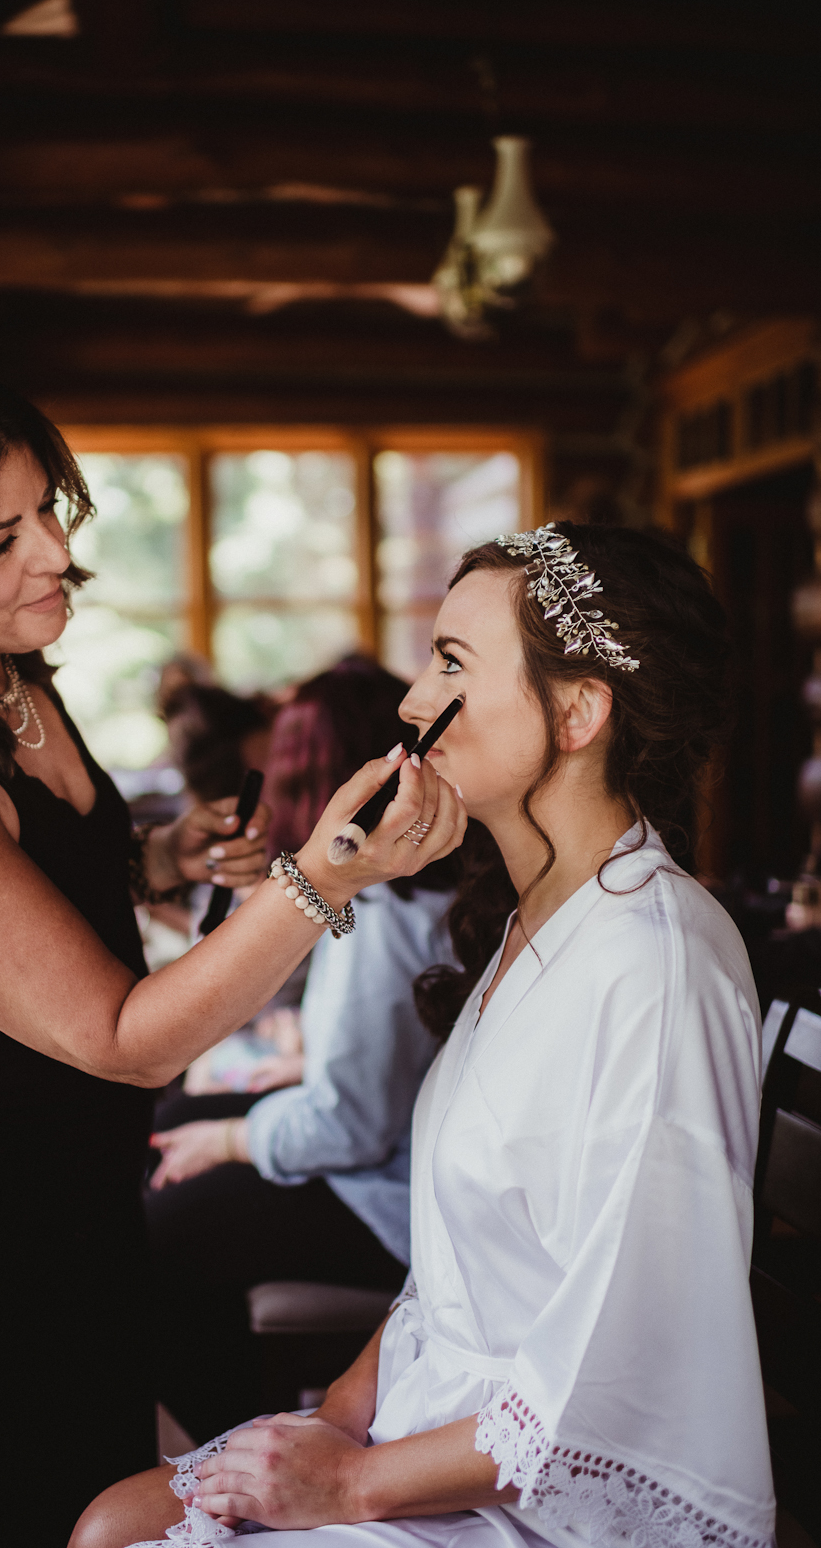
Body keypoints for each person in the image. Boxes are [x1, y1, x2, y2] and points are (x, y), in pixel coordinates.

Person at [0, 349, 466, 1548]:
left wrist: (165, 855)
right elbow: (124, 1040)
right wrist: (326, 874)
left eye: (44, 508)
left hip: (74, 1189)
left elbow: (33, 881)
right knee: (13, 1510)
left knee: (94, 1484)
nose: (52, 554)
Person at [71, 523, 776, 1548]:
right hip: (431, 1413)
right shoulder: (533, 919)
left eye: (450, 663)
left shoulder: (651, 964)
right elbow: (440, 1286)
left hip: (542, 1495)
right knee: (106, 1521)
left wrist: (351, 1482)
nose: (409, 701)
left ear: (578, 712)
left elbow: (616, 1366)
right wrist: (332, 1420)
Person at [147, 658, 497, 1443]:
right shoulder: (414, 886)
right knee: (176, 1121)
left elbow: (349, 1127)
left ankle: (242, 1444)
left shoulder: (380, 904)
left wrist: (233, 1139)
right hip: (394, 1147)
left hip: (396, 1200)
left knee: (156, 1233)